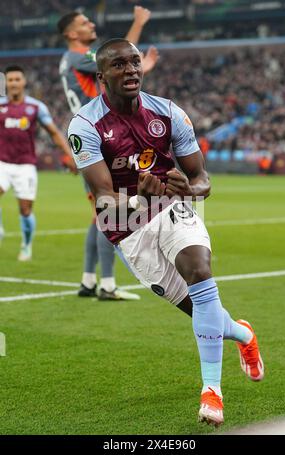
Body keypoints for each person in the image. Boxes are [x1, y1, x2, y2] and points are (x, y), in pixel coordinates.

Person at [68, 39, 264, 427]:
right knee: (203, 314)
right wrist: (139, 199)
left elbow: (201, 178)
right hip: (124, 229)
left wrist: (187, 189)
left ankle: (212, 392)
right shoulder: (85, 124)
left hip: (171, 208)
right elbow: (104, 197)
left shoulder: (170, 113)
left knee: (199, 270)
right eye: (120, 65)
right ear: (101, 76)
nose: (131, 70)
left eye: (135, 62)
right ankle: (242, 333)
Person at [58, 7, 158, 300]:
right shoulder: (79, 57)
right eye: (83, 22)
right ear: (71, 34)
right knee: (111, 209)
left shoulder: (70, 61)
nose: (90, 23)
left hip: (89, 135)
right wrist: (138, 23)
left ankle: (90, 281)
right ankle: (109, 285)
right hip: (100, 135)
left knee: (97, 214)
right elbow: (118, 58)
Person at [0, 65, 76, 261]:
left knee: (25, 210)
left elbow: (53, 133)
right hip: (2, 162)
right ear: (6, 83)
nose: (14, 83)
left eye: (18, 79)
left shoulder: (36, 107)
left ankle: (26, 245)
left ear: (24, 82)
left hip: (25, 165)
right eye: (10, 80)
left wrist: (69, 156)